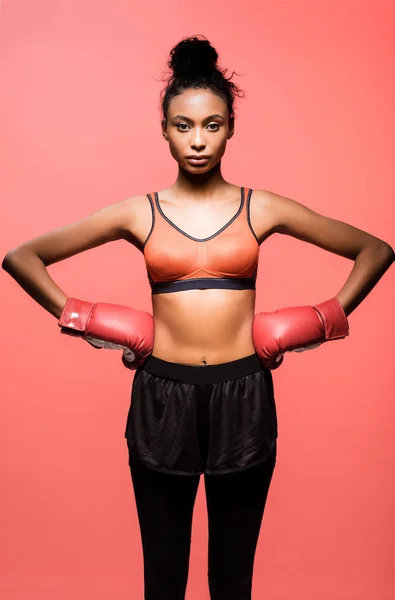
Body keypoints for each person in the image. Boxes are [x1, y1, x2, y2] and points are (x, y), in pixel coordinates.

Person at [2, 34, 394, 600]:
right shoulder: (140, 211)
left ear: (231, 126)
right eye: (183, 126)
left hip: (243, 392)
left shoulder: (262, 206)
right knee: (163, 578)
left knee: (232, 581)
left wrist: (316, 321)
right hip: (163, 393)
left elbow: (375, 250)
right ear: (163, 129)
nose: (198, 140)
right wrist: (90, 321)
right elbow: (22, 257)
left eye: (212, 125)